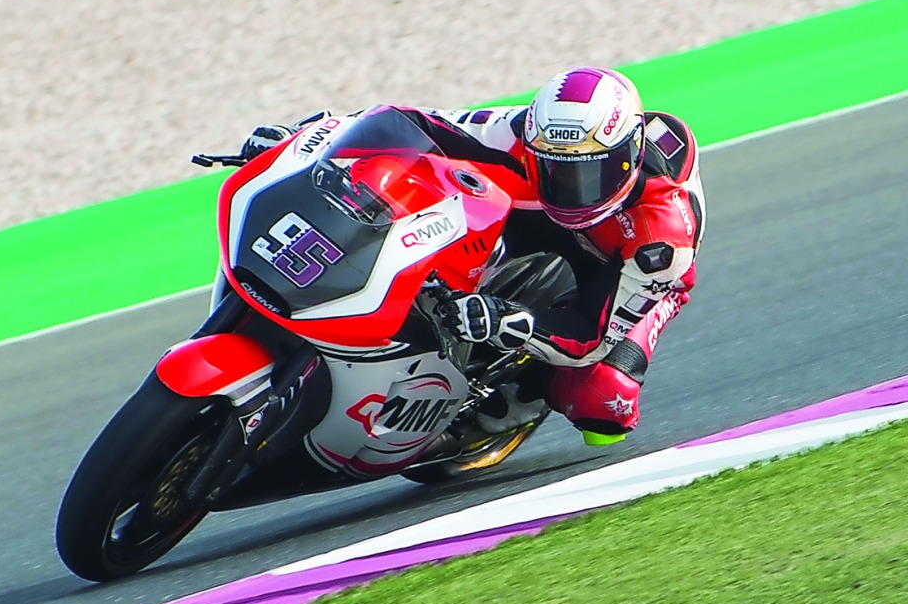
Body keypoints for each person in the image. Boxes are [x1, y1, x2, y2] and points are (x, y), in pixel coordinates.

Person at [241, 67, 706, 445]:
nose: (570, 189)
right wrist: (308, 138)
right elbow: (417, 124)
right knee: (426, 177)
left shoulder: (662, 239)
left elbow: (593, 335)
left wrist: (509, 321)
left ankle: (502, 407)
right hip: (537, 214)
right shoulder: (524, 132)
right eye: (555, 168)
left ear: (627, 156)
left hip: (621, 265)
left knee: (603, 400)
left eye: (588, 174)